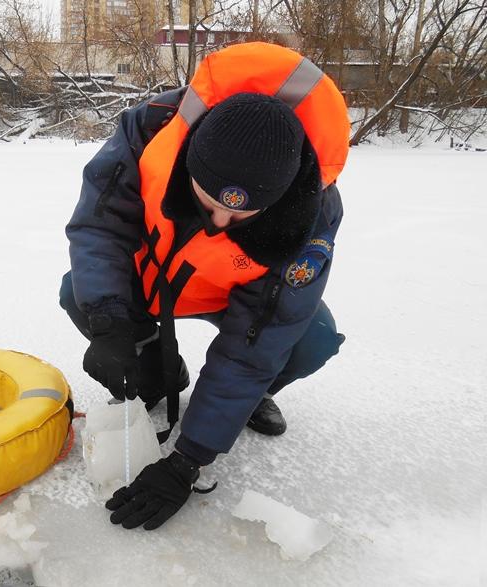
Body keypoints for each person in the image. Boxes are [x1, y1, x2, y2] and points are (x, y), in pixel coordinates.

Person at [60, 42, 350, 531]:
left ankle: (242, 401)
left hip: (237, 295)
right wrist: (110, 320)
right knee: (81, 292)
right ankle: (157, 372)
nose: (218, 223)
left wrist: (187, 461)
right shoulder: (151, 129)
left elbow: (257, 342)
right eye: (207, 201)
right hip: (156, 275)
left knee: (310, 340)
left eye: (240, 215)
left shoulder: (312, 214)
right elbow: (99, 229)